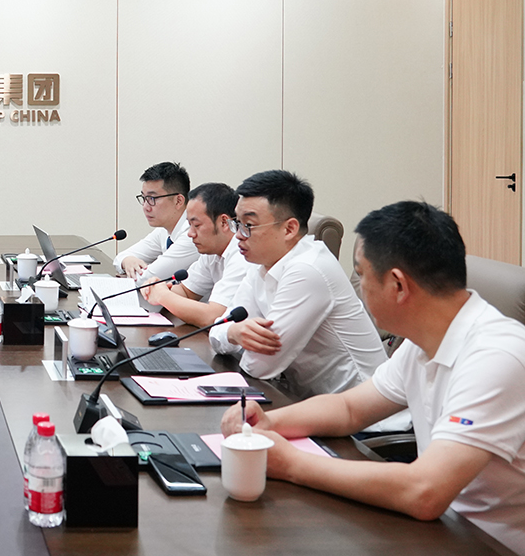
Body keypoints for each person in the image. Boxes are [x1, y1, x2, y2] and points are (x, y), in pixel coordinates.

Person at [222, 201, 525, 555]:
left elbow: (425, 491)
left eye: (361, 275)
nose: (359, 288)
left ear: (398, 285)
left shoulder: (496, 356)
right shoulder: (422, 341)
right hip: (442, 529)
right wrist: (270, 421)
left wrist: (290, 464)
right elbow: (350, 409)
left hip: (489, 543)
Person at [209, 170, 388, 400]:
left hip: (364, 411)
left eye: (249, 225)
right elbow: (217, 330)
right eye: (237, 223)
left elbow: (259, 366)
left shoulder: (308, 270)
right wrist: (233, 332)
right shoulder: (261, 263)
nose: (238, 236)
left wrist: (232, 337)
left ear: (289, 229)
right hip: (311, 403)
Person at [142, 182, 248, 327]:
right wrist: (158, 289)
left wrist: (162, 295)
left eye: (196, 225)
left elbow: (214, 317)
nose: (190, 233)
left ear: (224, 222)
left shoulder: (243, 253)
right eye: (189, 225)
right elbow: (185, 291)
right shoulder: (211, 252)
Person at [114, 162, 199, 281]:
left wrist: (132, 270)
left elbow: (146, 278)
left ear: (178, 201)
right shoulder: (163, 230)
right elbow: (120, 258)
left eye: (152, 198)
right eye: (144, 198)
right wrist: (127, 260)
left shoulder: (192, 235)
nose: (145, 207)